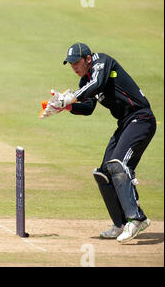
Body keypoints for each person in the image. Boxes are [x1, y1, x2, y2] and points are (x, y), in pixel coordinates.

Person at [41, 42, 156, 243]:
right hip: (125, 124)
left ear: (87, 59)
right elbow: (87, 108)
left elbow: (98, 83)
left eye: (77, 62)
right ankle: (120, 224)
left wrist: (69, 98)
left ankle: (136, 218)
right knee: (103, 172)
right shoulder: (84, 81)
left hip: (141, 118)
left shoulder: (102, 62)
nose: (74, 67)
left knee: (119, 165)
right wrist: (66, 107)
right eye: (70, 64)